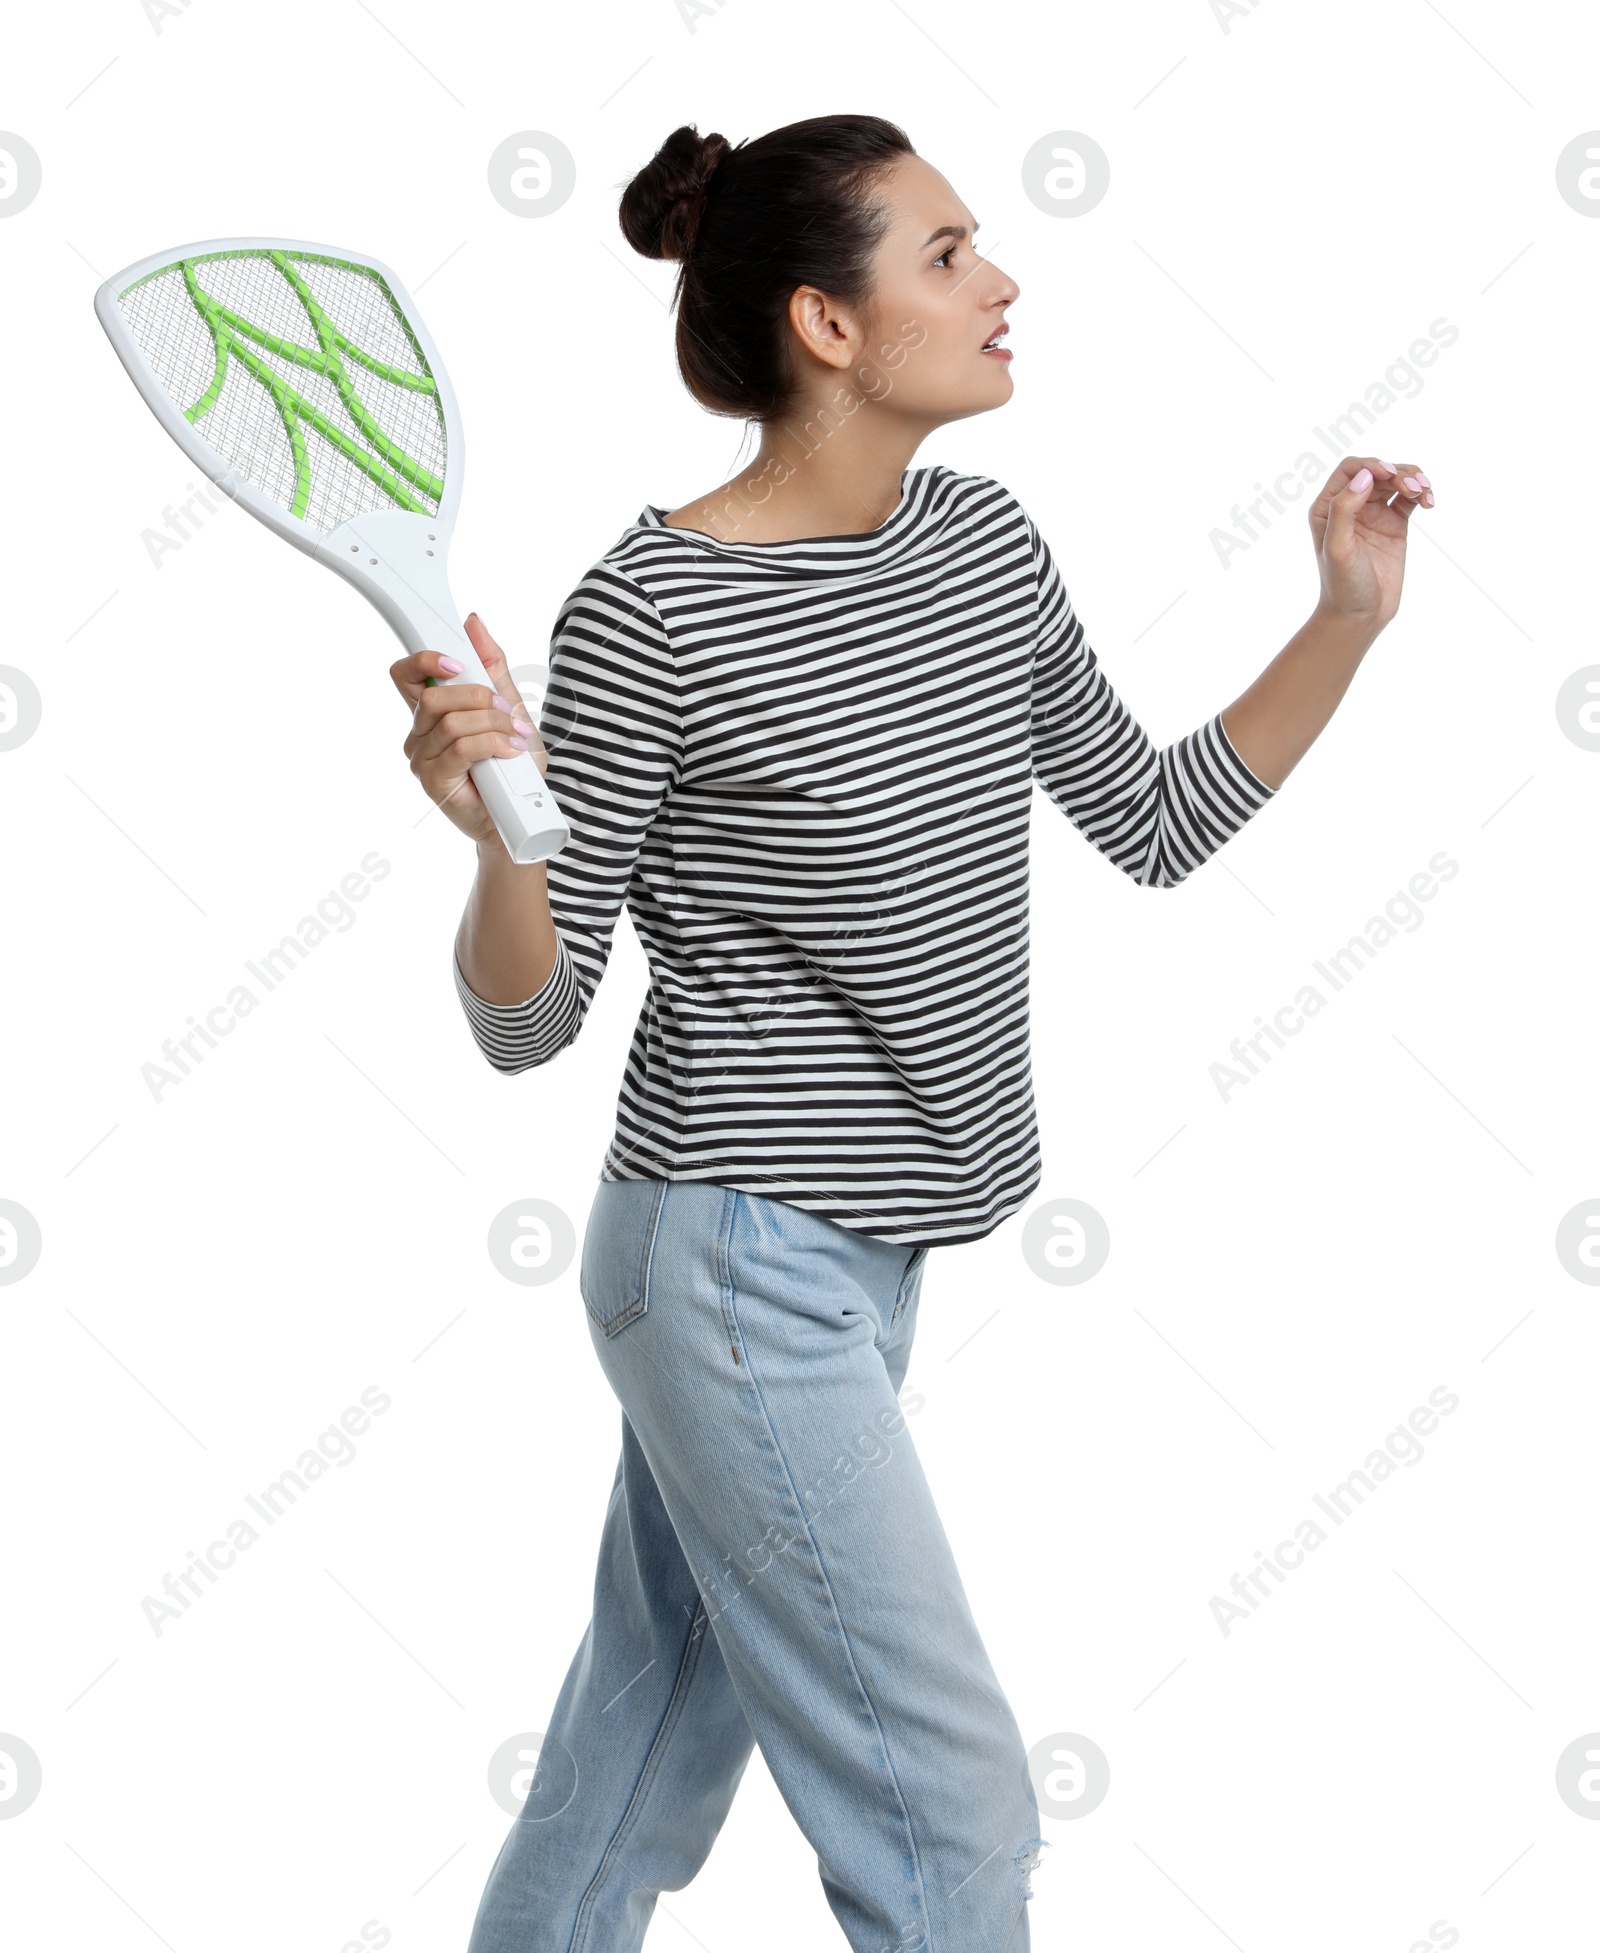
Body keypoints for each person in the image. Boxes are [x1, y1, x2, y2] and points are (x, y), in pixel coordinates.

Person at [390, 114, 1434, 1953]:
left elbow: (1155, 817)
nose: (1005, 279)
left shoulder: (981, 543)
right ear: (830, 322)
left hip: (866, 1261)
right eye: (950, 254)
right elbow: (530, 1018)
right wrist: (499, 840)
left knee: (637, 1764)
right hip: (724, 1262)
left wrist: (1342, 618)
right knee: (951, 1813)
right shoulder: (652, 609)